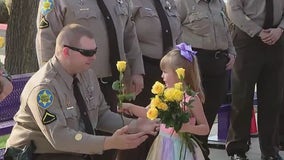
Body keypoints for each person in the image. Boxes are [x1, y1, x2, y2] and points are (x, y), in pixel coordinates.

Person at [5, 24, 159, 160]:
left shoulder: (87, 74)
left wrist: (135, 125)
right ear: (65, 51)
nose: (94, 57)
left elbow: (101, 115)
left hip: (72, 152)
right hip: (37, 154)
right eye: (87, 52)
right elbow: (59, 138)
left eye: (95, 51)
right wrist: (109, 142)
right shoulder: (44, 89)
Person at [35, 1, 145, 159]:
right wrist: (55, 82)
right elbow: (46, 38)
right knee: (80, 143)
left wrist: (136, 70)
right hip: (76, 85)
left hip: (113, 84)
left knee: (113, 146)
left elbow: (129, 34)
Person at [119, 43, 210, 160]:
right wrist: (129, 106)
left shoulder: (191, 98)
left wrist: (188, 128)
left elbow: (205, 128)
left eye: (165, 72)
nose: (162, 76)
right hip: (162, 145)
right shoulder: (164, 95)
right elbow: (147, 112)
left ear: (178, 73)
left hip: (180, 147)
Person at [116, 0, 182, 159]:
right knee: (138, 128)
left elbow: (178, 35)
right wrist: (134, 72)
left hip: (167, 72)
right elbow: (126, 36)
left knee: (159, 126)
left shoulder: (170, 2)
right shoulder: (130, 2)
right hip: (143, 70)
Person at [175, 0, 236, 159]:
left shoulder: (219, 3)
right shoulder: (183, 3)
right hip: (195, 63)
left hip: (219, 63)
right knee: (193, 113)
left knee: (210, 112)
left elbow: (227, 30)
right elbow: (174, 31)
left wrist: (232, 51)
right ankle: (191, 154)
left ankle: (201, 152)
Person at [225, 0, 284, 159]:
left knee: (272, 99)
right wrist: (258, 31)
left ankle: (270, 150)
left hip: (277, 40)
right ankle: (238, 148)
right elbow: (233, 10)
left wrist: (280, 29)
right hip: (247, 39)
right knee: (242, 97)